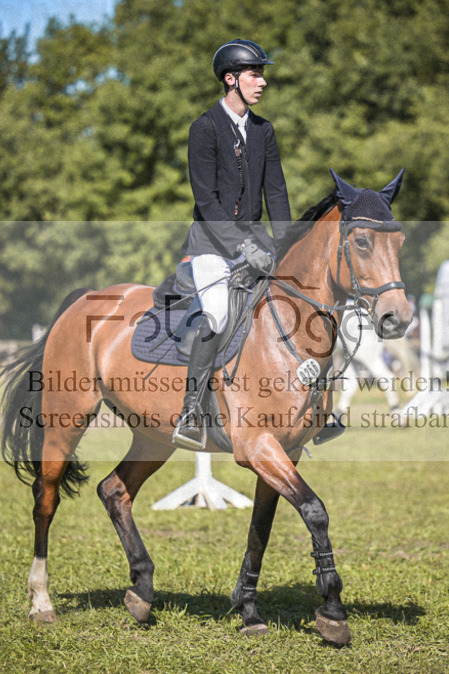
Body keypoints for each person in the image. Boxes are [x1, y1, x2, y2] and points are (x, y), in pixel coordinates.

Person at [172, 38, 291, 450]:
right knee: (218, 314)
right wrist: (242, 247)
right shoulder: (204, 128)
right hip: (211, 245)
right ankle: (191, 410)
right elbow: (206, 200)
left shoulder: (263, 130)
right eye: (255, 73)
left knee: (292, 307)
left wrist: (288, 245)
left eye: (262, 73)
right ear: (231, 79)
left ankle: (310, 409)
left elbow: (276, 193)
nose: (262, 81)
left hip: (257, 244)